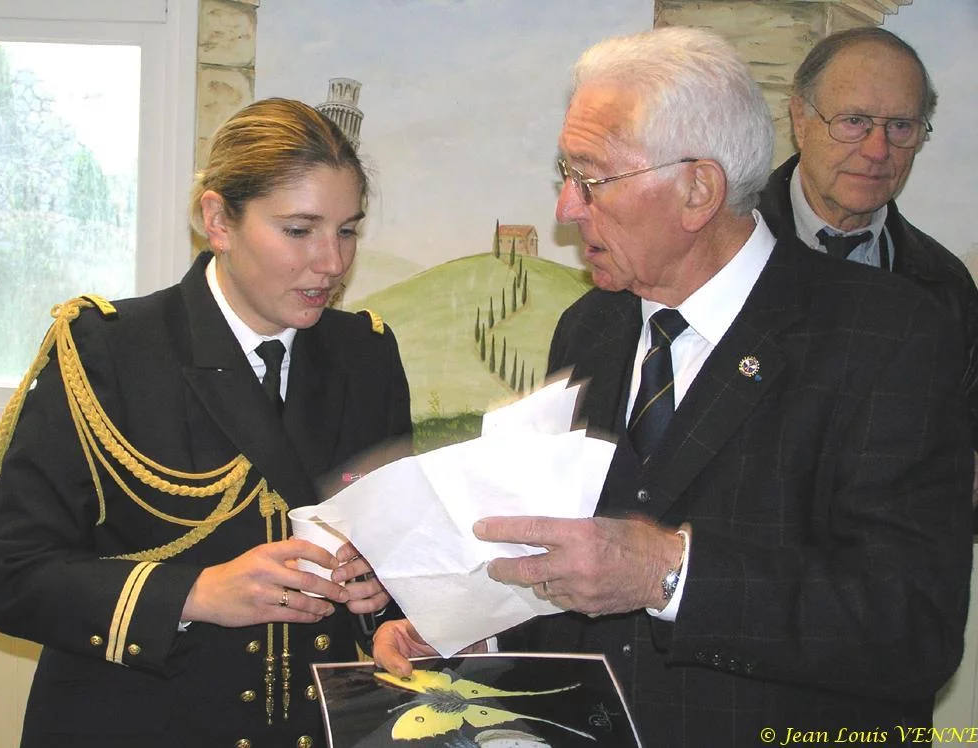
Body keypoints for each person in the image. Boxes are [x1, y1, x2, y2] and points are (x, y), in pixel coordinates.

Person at [374, 28, 974, 746]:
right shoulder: (590, 329)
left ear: (698, 190)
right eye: (567, 174)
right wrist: (482, 640)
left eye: (592, 178)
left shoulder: (890, 334)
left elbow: (911, 627)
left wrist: (669, 573)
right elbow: (589, 579)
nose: (567, 207)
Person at [0, 97, 412, 747]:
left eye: (348, 230)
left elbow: (402, 548)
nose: (332, 263)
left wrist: (387, 602)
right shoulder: (108, 352)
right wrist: (195, 594)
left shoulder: (367, 355)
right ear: (219, 220)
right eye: (300, 230)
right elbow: (4, 574)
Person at [757, 27, 978, 479]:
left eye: (900, 126)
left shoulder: (946, 288)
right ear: (800, 119)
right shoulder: (718, 247)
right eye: (854, 121)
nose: (878, 151)